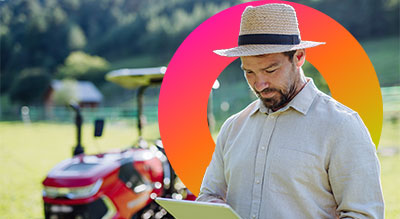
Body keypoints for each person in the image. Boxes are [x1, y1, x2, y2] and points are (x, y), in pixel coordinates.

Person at [197, 3, 384, 219]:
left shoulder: (341, 126)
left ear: (299, 57)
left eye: (270, 70)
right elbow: (209, 195)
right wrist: (211, 206)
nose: (260, 84)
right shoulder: (232, 128)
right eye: (249, 72)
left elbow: (364, 215)